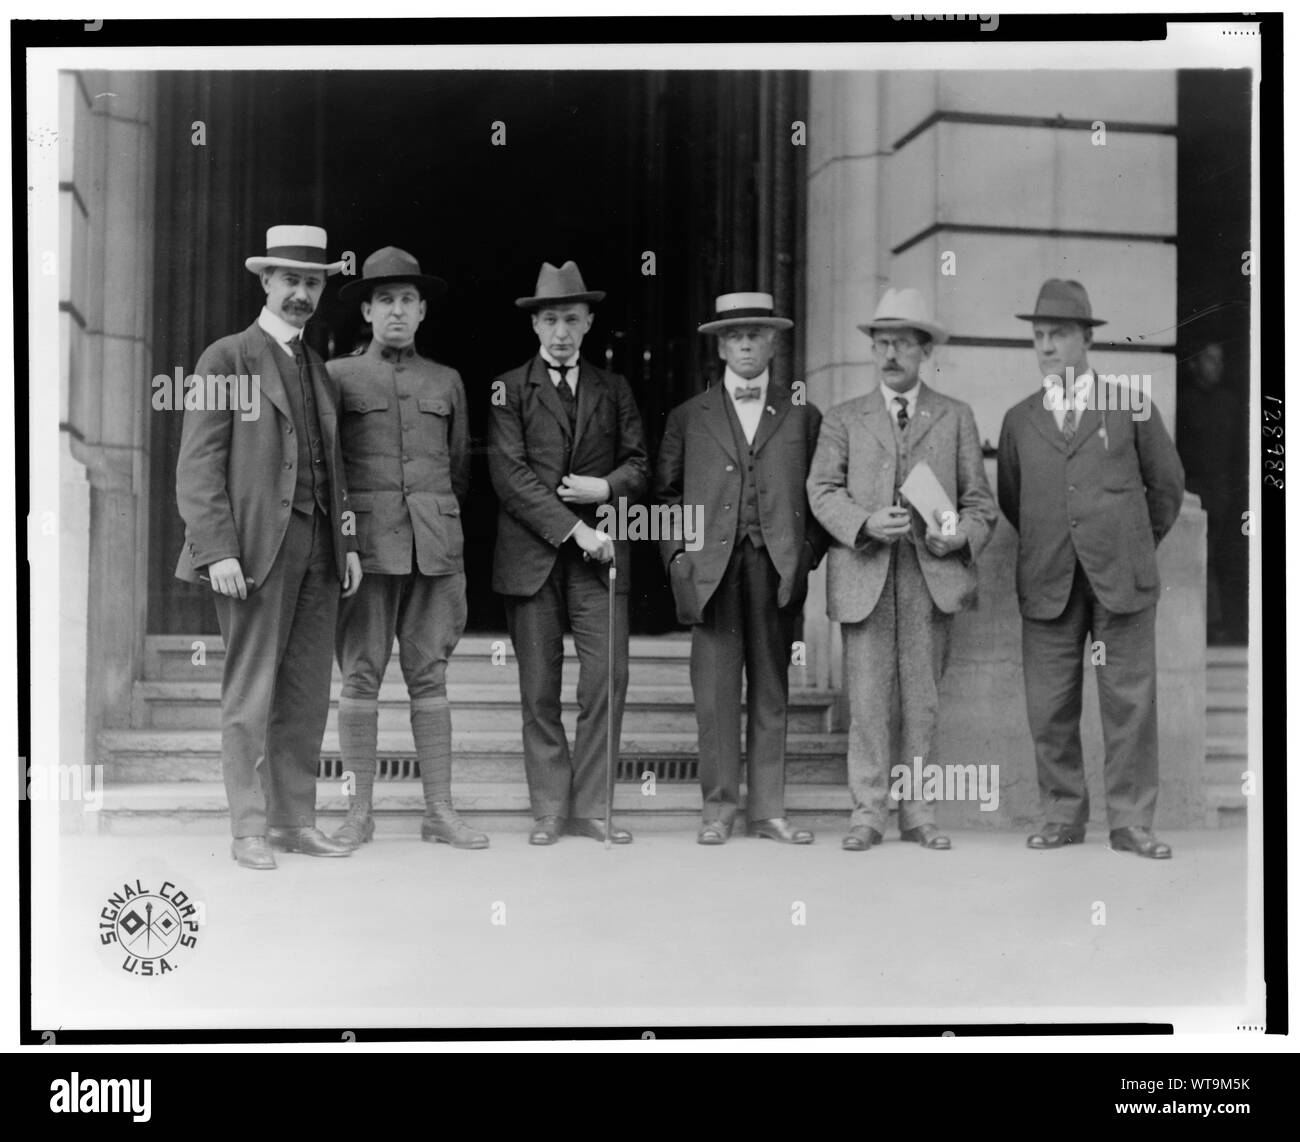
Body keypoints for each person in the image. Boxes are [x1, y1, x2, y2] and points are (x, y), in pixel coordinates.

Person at [174, 224, 363, 869]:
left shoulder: (319, 368)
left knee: (308, 691)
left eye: (313, 283)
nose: (303, 294)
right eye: (292, 281)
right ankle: (248, 829)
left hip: (319, 550)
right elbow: (198, 467)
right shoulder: (225, 358)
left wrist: (349, 543)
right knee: (251, 691)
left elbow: (335, 470)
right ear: (266, 282)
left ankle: (295, 820)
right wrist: (218, 550)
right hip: (252, 552)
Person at [997, 279, 1185, 859]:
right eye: (1039, 337)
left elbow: (1168, 486)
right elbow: (1012, 496)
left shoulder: (1129, 403)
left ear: (1085, 340)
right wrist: (1057, 538)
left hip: (1121, 578)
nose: (1047, 347)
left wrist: (1130, 542)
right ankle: (1061, 815)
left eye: (1058, 335)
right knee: (1049, 704)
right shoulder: (1019, 419)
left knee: (1129, 701)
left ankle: (1130, 822)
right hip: (1049, 579)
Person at [807, 288, 998, 852]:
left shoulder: (955, 416)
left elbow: (980, 503)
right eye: (881, 343)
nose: (890, 354)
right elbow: (820, 490)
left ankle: (919, 812)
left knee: (923, 701)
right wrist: (864, 523)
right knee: (866, 702)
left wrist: (959, 534)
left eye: (902, 344)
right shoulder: (844, 418)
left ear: (924, 350)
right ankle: (867, 813)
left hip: (929, 578)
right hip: (866, 574)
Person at [327, 246, 487, 851]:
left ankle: (439, 811)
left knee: (432, 679)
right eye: (384, 300)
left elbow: (458, 469)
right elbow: (332, 472)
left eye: (407, 300)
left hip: (435, 548)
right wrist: (344, 541)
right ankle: (357, 813)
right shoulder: (338, 377)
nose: (397, 311)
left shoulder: (445, 380)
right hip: (365, 552)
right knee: (360, 680)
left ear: (422, 311)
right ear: (366, 310)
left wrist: (436, 522)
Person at [654, 292, 828, 845]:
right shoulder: (689, 416)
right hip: (710, 569)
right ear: (720, 345)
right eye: (735, 336)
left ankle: (769, 810)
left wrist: (805, 555)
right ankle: (718, 808)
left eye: (756, 333)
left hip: (775, 566)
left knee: (772, 688)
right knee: (715, 691)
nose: (746, 344)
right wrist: (678, 557)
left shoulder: (802, 414)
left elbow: (823, 494)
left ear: (774, 340)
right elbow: (665, 496)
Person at [487, 261, 649, 845]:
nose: (561, 331)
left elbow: (641, 464)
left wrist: (605, 490)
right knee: (539, 689)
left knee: (608, 678)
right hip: (538, 557)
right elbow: (510, 477)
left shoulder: (615, 387)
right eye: (550, 319)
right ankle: (550, 810)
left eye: (572, 320)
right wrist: (577, 530)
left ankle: (594, 807)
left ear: (589, 323)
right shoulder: (507, 387)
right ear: (535, 324)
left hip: (600, 562)